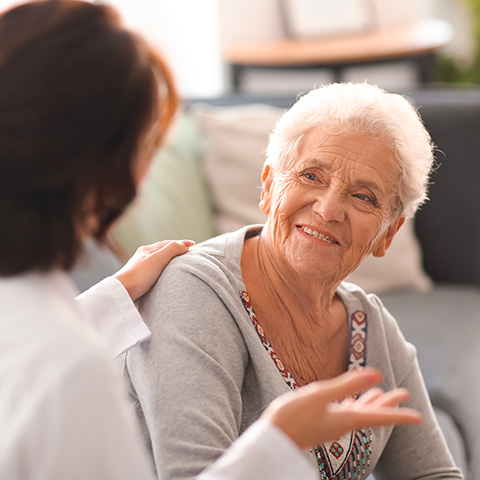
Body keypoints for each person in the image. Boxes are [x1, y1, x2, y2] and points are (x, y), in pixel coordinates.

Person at [0, 2, 423, 480]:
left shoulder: (45, 324)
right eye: (149, 145)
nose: (328, 208)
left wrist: (110, 299)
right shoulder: (75, 363)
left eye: (363, 196)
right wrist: (277, 443)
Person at [124, 83, 464, 479]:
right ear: (268, 186)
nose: (329, 208)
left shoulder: (373, 330)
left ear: (388, 234)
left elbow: (434, 475)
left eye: (364, 197)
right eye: (311, 175)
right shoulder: (193, 291)